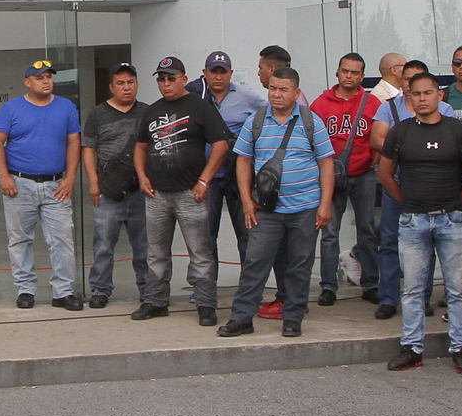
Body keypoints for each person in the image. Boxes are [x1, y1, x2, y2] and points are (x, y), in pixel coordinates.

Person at [379, 72, 462, 375]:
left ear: (440, 95)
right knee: (412, 289)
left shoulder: (458, 130)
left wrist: (459, 203)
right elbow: (385, 174)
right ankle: (412, 347)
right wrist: (407, 202)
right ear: (409, 97)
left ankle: (461, 348)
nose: (423, 98)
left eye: (428, 93)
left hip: (450, 219)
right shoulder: (399, 132)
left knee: (457, 289)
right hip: (412, 221)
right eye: (417, 93)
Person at [218, 66, 334, 339]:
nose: (276, 94)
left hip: (305, 209)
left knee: (299, 265)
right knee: (254, 263)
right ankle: (242, 317)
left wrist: (324, 204)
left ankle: (293, 318)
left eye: (283, 89)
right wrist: (247, 200)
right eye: (272, 88)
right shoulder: (256, 121)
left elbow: (326, 164)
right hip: (266, 211)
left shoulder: (311, 122)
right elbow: (243, 160)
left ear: (296, 92)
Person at [131, 57, 230, 324]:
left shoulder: (201, 107)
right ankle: (155, 301)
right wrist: (142, 177)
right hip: (156, 194)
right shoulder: (152, 111)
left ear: (184, 80)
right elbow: (140, 147)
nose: (166, 83)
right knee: (156, 253)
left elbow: (221, 144)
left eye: (171, 78)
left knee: (200, 252)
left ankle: (206, 304)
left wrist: (204, 181)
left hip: (190, 193)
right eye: (161, 79)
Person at [369, 61, 460, 320]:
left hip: (430, 191)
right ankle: (388, 298)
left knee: (426, 243)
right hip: (395, 185)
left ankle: (422, 298)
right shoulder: (388, 107)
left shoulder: (445, 109)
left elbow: (451, 143)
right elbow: (376, 139)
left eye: (417, 80)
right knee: (388, 243)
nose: (411, 85)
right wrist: (412, 149)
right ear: (402, 82)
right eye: (407, 80)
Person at [0, 60, 83, 310]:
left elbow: (74, 142)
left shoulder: (66, 108)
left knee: (62, 238)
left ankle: (63, 291)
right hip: (20, 184)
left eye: (49, 77)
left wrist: (71, 176)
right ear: (27, 81)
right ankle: (25, 289)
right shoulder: (11, 109)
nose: (46, 81)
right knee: (20, 239)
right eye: (40, 77)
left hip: (56, 185)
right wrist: (3, 176)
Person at [308, 53, 382, 306]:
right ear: (337, 72)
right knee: (329, 231)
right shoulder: (320, 104)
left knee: (367, 230)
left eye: (355, 72)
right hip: (331, 176)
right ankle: (328, 285)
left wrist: (375, 156)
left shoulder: (372, 103)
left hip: (363, 174)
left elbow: (381, 133)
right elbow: (311, 139)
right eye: (345, 71)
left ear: (362, 76)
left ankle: (370, 283)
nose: (349, 76)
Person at [81, 63, 149, 308]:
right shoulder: (98, 114)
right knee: (103, 245)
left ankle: (148, 289)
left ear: (137, 84)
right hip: (108, 191)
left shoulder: (147, 112)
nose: (126, 87)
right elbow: (88, 149)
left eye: (130, 82)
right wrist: (93, 183)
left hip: (140, 191)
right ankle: (100, 290)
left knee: (144, 246)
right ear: (111, 87)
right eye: (120, 83)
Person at [189, 51, 265, 270]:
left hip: (237, 177)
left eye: (223, 72)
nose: (219, 77)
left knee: (246, 233)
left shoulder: (248, 97)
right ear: (205, 73)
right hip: (206, 179)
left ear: (231, 73)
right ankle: (206, 289)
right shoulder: (195, 98)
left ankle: (249, 288)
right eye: (214, 72)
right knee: (206, 236)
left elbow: (268, 117)